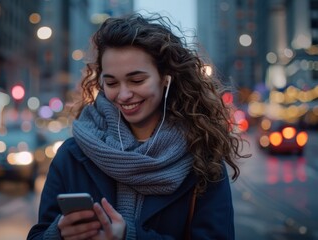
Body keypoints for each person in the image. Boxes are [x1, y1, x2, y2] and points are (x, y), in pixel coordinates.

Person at [27, 12, 249, 240]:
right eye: (111, 82)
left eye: (136, 80)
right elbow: (38, 235)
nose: (123, 95)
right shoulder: (72, 155)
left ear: (166, 78)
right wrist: (58, 234)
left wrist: (129, 237)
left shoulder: (202, 159)